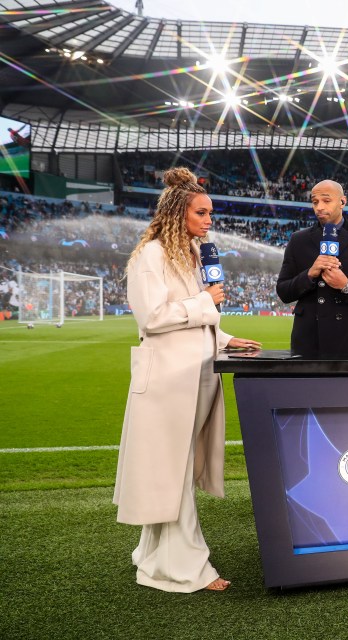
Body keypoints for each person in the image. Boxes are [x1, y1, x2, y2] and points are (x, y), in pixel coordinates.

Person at [114, 167, 261, 592]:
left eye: (210, 212)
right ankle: (185, 568)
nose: (209, 220)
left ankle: (153, 555)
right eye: (202, 213)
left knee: (176, 470)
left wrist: (228, 339)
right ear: (179, 213)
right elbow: (153, 317)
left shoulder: (191, 256)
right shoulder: (152, 255)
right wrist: (205, 302)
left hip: (194, 377)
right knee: (173, 473)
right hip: (167, 384)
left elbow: (194, 320)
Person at [276, 180, 348, 357]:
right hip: (308, 339)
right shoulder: (298, 240)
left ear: (342, 202)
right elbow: (283, 291)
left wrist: (346, 285)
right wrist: (310, 274)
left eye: (326, 200)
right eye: (315, 202)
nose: (319, 207)